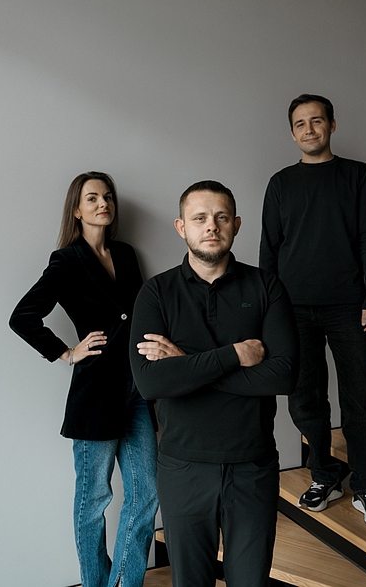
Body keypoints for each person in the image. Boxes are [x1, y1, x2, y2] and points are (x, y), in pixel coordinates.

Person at [129, 180, 299, 587]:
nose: (211, 226)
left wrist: (185, 366)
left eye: (221, 217)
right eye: (200, 218)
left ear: (236, 224)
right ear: (181, 227)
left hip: (253, 466)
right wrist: (234, 355)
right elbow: (151, 383)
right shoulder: (156, 293)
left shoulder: (267, 287)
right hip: (182, 468)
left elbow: (284, 375)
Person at [9, 171, 158, 587]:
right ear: (76, 210)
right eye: (92, 198)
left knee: (146, 493)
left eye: (107, 196)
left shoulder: (126, 254)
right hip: (95, 394)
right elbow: (22, 317)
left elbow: (139, 314)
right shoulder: (67, 260)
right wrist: (67, 352)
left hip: (137, 388)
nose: (102, 203)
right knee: (94, 501)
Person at [259, 94, 366, 528]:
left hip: (349, 306)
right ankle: (325, 474)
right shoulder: (280, 183)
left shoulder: (356, 175)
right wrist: (268, 311)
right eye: (300, 123)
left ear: (332, 125)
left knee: (361, 398)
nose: (309, 129)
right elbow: (269, 250)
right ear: (292, 133)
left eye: (317, 120)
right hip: (293, 309)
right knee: (304, 398)